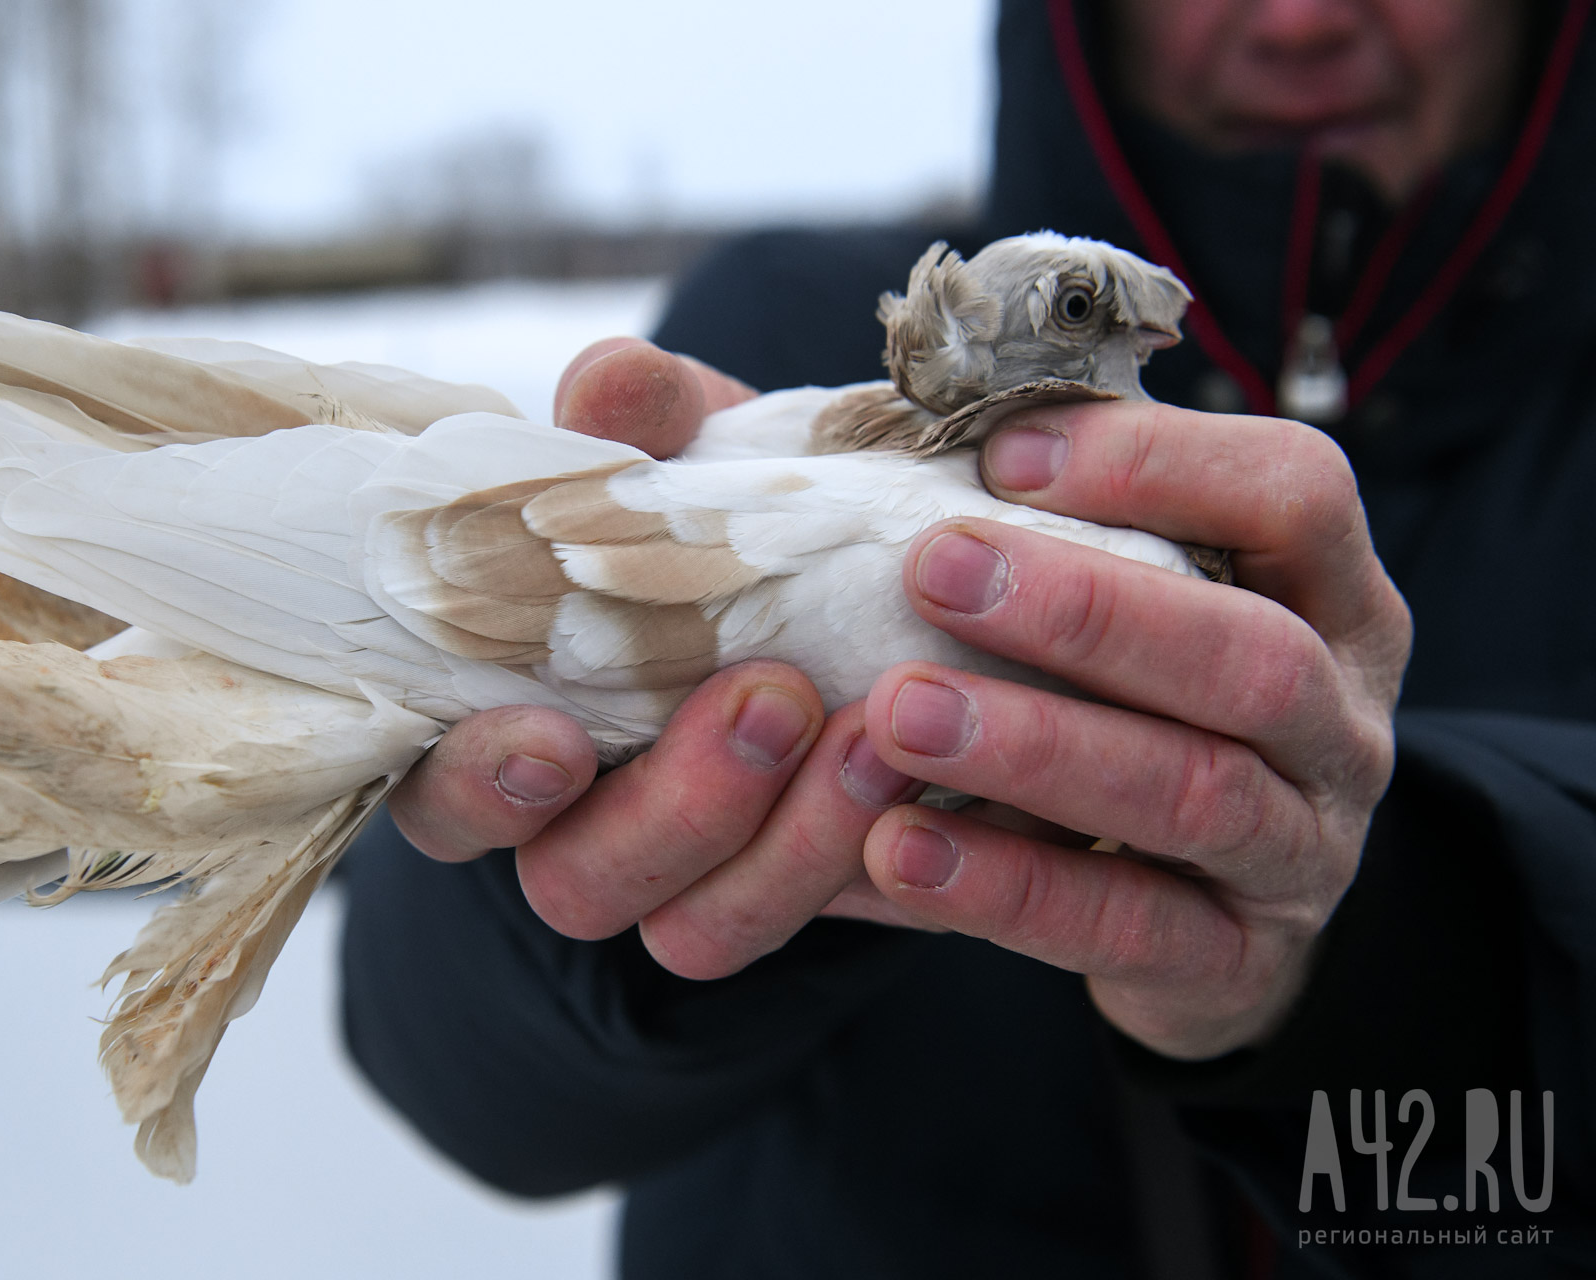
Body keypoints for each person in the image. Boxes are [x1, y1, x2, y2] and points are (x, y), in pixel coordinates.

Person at [340, 1, 1596, 1274]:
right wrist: (600, 869)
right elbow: (463, 1084)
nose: (1298, 20)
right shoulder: (782, 330)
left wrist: (1381, 954)